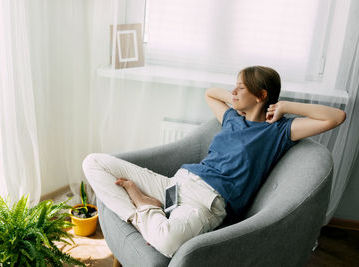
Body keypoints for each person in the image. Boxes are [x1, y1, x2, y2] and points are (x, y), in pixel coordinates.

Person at [82, 66, 346, 258]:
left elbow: (335, 117)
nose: (233, 92)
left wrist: (286, 106)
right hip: (177, 183)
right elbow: (210, 93)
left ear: (261, 95)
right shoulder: (232, 118)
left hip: (207, 202)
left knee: (167, 242)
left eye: (240, 87)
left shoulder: (277, 132)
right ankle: (144, 214)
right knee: (93, 162)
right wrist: (238, 98)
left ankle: (142, 205)